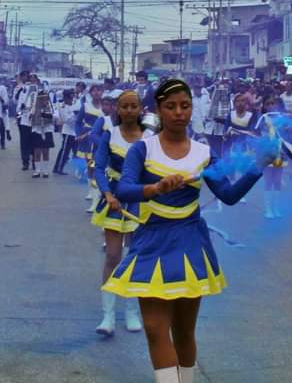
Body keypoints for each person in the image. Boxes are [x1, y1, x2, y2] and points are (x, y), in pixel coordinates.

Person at [103, 79, 272, 383]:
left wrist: (257, 166)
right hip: (151, 242)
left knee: (183, 331)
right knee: (155, 328)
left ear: (192, 109)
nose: (179, 112)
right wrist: (155, 188)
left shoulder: (204, 153)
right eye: (171, 106)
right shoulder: (143, 149)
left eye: (185, 106)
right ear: (158, 109)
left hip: (189, 243)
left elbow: (228, 195)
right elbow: (124, 189)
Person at [91, 89, 144, 336]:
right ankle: (108, 316)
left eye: (134, 106)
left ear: (140, 109)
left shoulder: (150, 137)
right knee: (112, 256)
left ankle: (132, 312)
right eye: (124, 106)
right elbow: (99, 168)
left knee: (135, 257)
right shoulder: (109, 135)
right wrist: (107, 194)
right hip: (114, 201)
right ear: (117, 109)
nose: (129, 110)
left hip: (140, 202)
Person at [27, 76, 55, 178]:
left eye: (45, 98)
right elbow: (29, 116)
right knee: (37, 150)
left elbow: (55, 116)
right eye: (41, 98)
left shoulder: (50, 106)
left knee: (46, 150)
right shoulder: (34, 106)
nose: (44, 100)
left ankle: (45, 170)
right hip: (37, 129)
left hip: (47, 129)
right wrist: (34, 114)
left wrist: (47, 115)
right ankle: (37, 170)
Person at [52, 89, 79, 175]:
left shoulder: (75, 104)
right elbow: (65, 119)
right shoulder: (62, 107)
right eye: (68, 98)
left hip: (77, 132)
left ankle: (79, 170)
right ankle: (58, 168)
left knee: (78, 152)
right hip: (68, 132)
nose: (70, 99)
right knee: (64, 152)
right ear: (65, 98)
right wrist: (74, 114)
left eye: (71, 97)